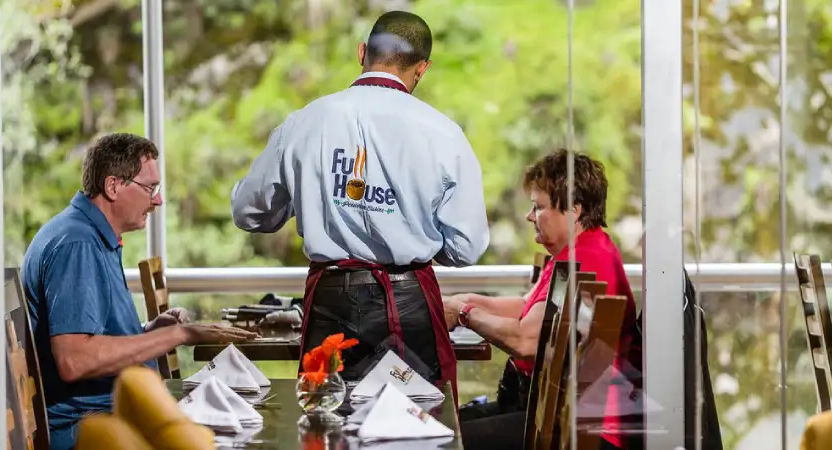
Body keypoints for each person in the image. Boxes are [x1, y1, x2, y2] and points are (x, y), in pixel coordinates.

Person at [231, 10, 489, 390]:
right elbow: (466, 248)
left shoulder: (305, 121)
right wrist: (407, 230)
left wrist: (303, 200)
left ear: (362, 52)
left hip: (331, 301)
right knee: (416, 427)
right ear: (422, 68)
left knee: (327, 419)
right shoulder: (444, 133)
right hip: (409, 300)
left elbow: (249, 212)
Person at [22, 133, 258, 450]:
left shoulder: (90, 234)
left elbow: (91, 336)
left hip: (111, 414)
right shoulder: (77, 244)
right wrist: (179, 336)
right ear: (113, 186)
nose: (158, 200)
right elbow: (74, 359)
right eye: (150, 188)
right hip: (92, 429)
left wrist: (148, 330)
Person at [443, 149, 643, 450]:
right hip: (557, 413)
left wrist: (464, 312)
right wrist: (466, 299)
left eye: (538, 207)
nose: (529, 216)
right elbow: (529, 307)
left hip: (581, 428)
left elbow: (525, 340)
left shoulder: (585, 260)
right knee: (444, 426)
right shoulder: (583, 249)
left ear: (573, 210)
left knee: (440, 438)